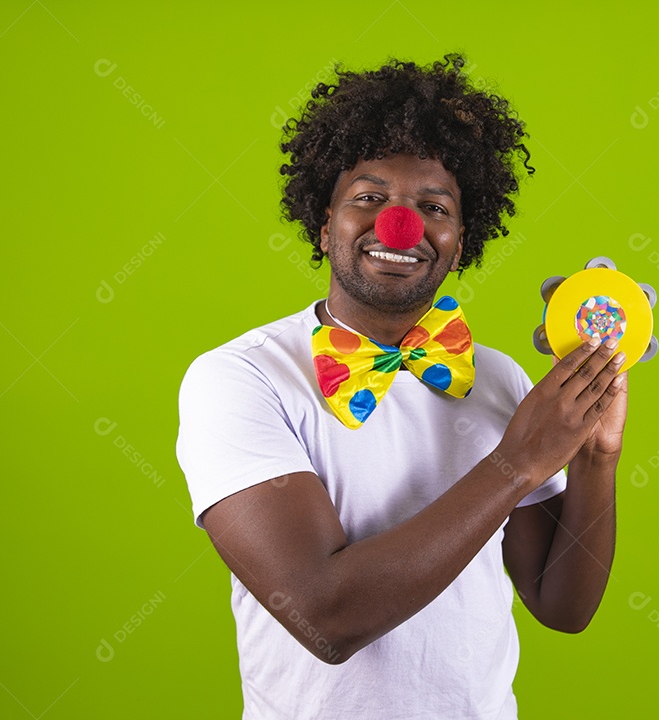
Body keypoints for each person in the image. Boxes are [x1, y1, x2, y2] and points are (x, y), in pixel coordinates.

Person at [175, 53, 629, 720]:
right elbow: (325, 618)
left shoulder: (498, 378)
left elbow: (561, 605)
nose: (401, 225)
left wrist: (594, 457)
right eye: (369, 197)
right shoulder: (240, 379)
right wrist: (517, 460)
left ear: (459, 238)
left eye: (433, 206)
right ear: (324, 221)